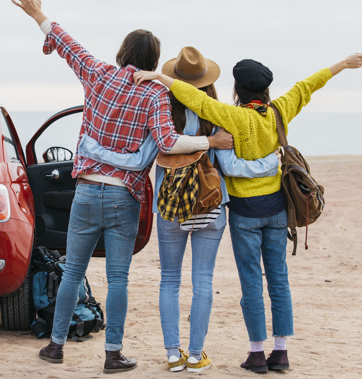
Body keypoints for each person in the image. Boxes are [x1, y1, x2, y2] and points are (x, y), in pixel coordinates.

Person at [11, 0, 230, 374]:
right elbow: (167, 142)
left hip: (85, 192)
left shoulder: (97, 74)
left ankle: (55, 346)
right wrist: (209, 140)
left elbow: (66, 44)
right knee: (118, 279)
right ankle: (113, 354)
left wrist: (37, 15)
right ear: (154, 61)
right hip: (122, 197)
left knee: (73, 271)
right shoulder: (155, 95)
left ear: (122, 53)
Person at [133, 52, 362, 373]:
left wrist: (162, 78)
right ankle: (281, 352)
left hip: (244, 215)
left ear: (237, 90)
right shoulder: (279, 112)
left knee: (251, 282)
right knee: (279, 280)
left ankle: (257, 353)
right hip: (277, 211)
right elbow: (307, 86)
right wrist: (341, 65)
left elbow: (194, 99)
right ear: (266, 90)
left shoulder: (232, 116)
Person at [78, 46, 280, 373]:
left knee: (169, 280)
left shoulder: (161, 107)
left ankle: (173, 354)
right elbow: (229, 163)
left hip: (171, 206)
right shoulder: (217, 114)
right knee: (203, 280)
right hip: (210, 206)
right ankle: (197, 355)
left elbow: (146, 151)